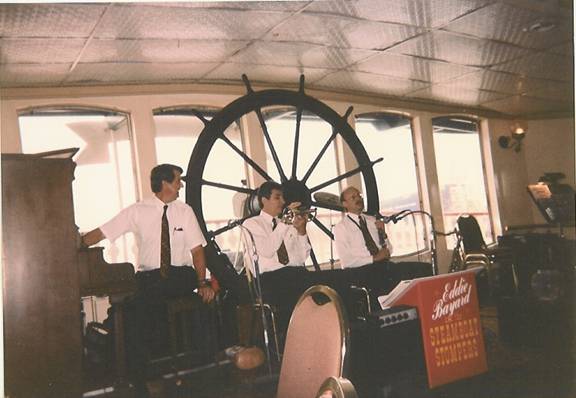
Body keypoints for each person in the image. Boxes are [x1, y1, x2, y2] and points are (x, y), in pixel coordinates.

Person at [82, 163, 215, 397]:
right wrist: (78, 243)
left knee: (138, 306)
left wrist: (202, 282)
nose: (180, 184)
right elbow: (104, 231)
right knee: (131, 309)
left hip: (180, 275)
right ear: (164, 183)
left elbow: (197, 251)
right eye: (177, 180)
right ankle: (140, 376)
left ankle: (131, 363)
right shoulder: (138, 210)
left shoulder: (185, 211)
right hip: (149, 276)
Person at [334, 186, 432, 299]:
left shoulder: (372, 220)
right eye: (353, 197)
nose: (358, 199)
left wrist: (383, 234)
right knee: (388, 282)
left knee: (425, 269)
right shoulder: (341, 228)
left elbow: (389, 249)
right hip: (361, 272)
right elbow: (346, 262)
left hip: (383, 267)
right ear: (344, 204)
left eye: (359, 196)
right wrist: (374, 258)